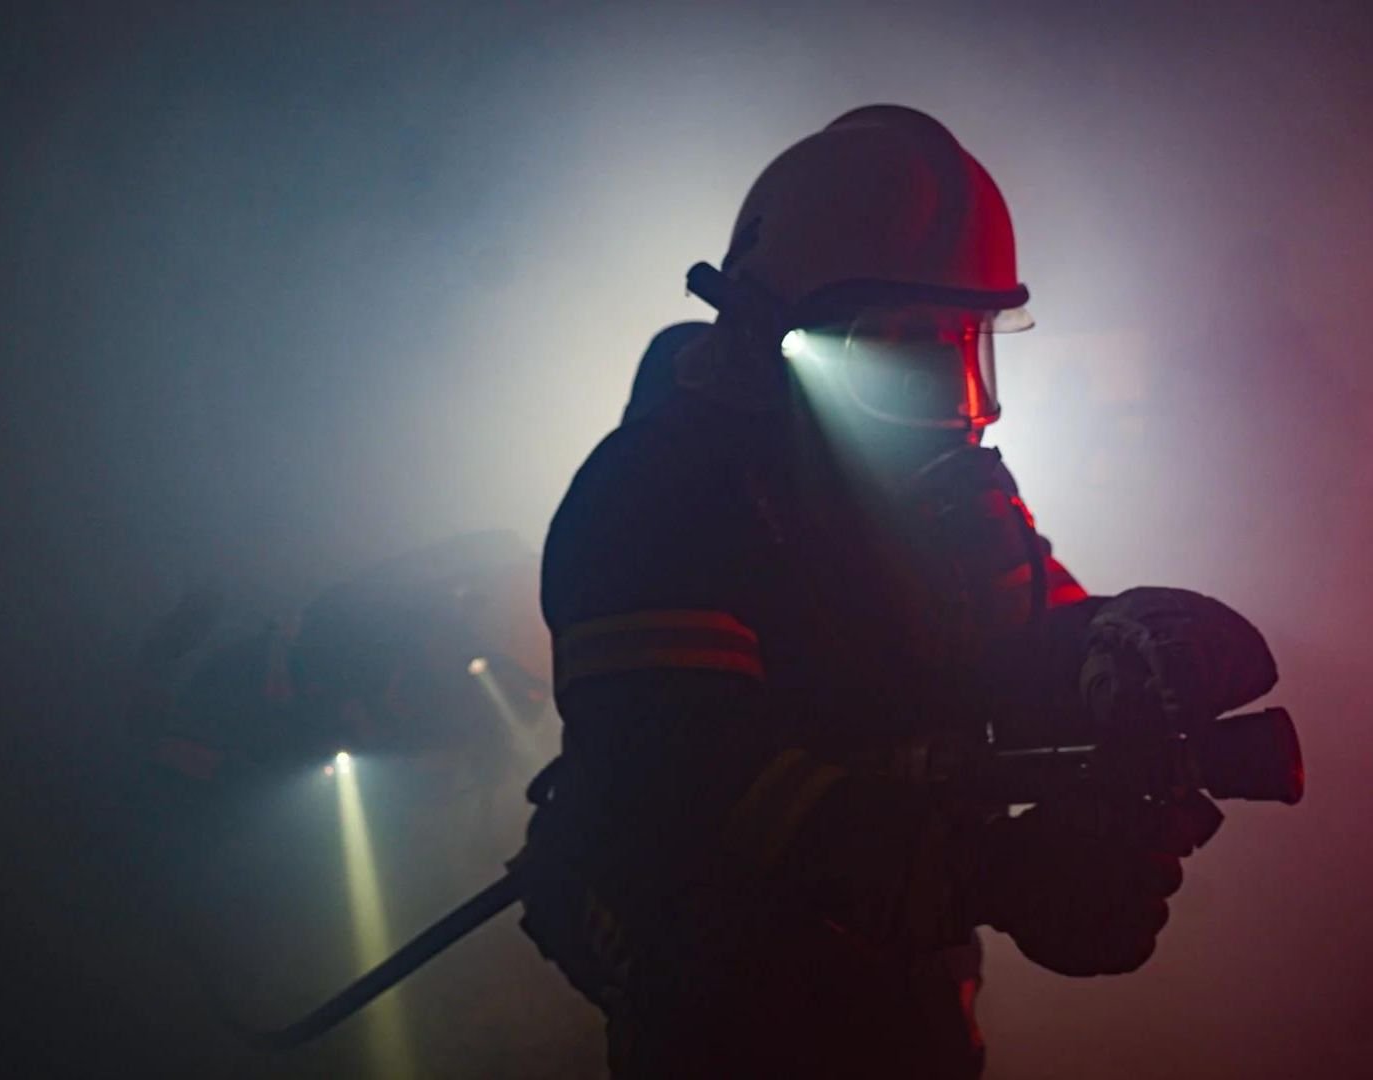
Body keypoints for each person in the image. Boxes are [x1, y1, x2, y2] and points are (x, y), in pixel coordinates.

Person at [523, 106, 1278, 1077]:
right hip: (727, 1013)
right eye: (908, 351)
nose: (956, 401)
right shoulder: (650, 497)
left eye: (966, 345)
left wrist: (1122, 643)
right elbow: (693, 781)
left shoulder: (930, 485)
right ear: (767, 339)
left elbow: (1020, 635)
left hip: (910, 988)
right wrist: (995, 876)